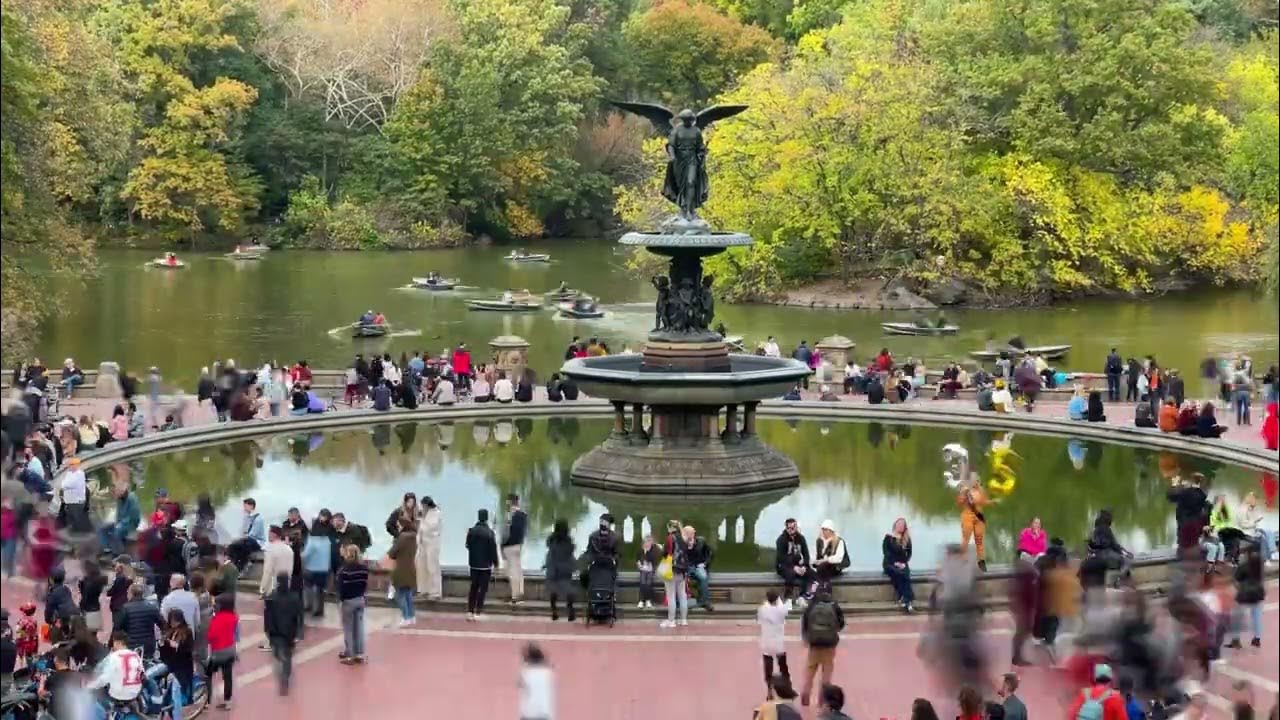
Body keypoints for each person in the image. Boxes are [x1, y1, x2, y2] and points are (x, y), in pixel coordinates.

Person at [799, 590, 844, 707]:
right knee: (827, 672)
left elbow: (805, 622)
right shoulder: (834, 605)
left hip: (814, 643)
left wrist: (806, 638)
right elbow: (841, 623)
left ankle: (805, 693)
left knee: (810, 669)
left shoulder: (812, 605)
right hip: (829, 644)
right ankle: (822, 699)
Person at [263, 572, 301, 695]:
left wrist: (267, 630)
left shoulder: (272, 597)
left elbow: (267, 616)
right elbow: (298, 617)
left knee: (277, 655)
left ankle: (282, 675)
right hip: (289, 632)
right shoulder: (294, 597)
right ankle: (285, 677)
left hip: (275, 632)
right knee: (288, 657)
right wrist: (298, 633)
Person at [87, 631, 144, 709]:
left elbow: (104, 678)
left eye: (113, 642)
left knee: (98, 692)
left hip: (119, 695)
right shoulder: (136, 655)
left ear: (118, 642)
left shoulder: (114, 656)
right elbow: (141, 674)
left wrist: (90, 686)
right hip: (135, 694)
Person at [335, 544, 369, 664]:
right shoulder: (364, 568)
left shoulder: (344, 570)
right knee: (359, 627)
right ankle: (359, 654)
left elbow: (341, 588)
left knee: (348, 628)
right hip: (360, 599)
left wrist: (341, 600)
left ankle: (349, 654)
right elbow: (365, 584)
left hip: (348, 601)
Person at [158, 609, 194, 719]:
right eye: (171, 621)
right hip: (171, 666)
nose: (173, 623)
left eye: (175, 621)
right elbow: (164, 652)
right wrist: (162, 644)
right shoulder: (169, 632)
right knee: (169, 693)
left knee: (176, 693)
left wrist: (175, 645)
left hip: (182, 667)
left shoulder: (187, 632)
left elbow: (187, 649)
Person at [465, 509, 499, 621]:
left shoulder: (472, 531)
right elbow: (493, 550)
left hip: (473, 564)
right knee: (482, 589)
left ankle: (470, 611)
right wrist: (496, 563)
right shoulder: (490, 533)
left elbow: (467, 545)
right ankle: (478, 611)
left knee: (473, 588)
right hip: (485, 566)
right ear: (487, 518)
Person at [113, 583, 163, 658]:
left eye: (128, 593)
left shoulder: (124, 608)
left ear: (131, 594)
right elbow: (162, 624)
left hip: (131, 645)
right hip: (148, 645)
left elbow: (117, 627)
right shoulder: (152, 607)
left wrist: (113, 644)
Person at [758, 589, 790, 698]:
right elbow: (785, 609)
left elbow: (761, 615)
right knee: (783, 667)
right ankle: (787, 687)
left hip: (766, 643)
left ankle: (769, 689)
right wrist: (779, 600)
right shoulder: (781, 610)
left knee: (768, 669)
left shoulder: (763, 609)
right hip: (779, 644)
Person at [545, 519, 577, 622]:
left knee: (553, 591)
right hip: (565, 568)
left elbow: (550, 550)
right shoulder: (568, 540)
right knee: (568, 590)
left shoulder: (551, 539)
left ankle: (554, 611)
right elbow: (571, 551)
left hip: (553, 568)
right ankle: (570, 610)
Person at [661, 523, 692, 629]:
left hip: (672, 569)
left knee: (671, 596)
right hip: (683, 570)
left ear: (670, 528)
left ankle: (671, 620)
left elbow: (665, 553)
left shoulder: (670, 537)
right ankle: (684, 620)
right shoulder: (684, 538)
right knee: (682, 595)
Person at [775, 519, 811, 607]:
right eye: (789, 528)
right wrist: (794, 567)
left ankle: (802, 597)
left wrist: (804, 566)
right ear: (786, 528)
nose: (792, 529)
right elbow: (781, 557)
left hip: (798, 564)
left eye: (794, 527)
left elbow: (806, 554)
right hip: (783, 565)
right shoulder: (781, 540)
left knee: (808, 573)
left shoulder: (801, 538)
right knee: (790, 573)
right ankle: (788, 598)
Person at [882, 518, 915, 613]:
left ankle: (904, 599)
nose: (900, 526)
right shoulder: (888, 538)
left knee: (905, 574)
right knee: (900, 574)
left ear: (905, 527)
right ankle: (908, 599)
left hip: (903, 563)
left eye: (902, 525)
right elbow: (886, 553)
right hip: (889, 563)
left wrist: (903, 563)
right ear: (895, 526)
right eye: (899, 524)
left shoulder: (907, 539)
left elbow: (909, 554)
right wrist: (895, 563)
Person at [99, 484, 141, 555]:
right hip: (121, 522)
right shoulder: (119, 499)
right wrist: (117, 522)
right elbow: (118, 514)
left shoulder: (132, 498)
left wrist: (121, 523)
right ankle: (107, 549)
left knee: (117, 532)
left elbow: (135, 517)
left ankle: (118, 553)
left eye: (117, 492)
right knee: (103, 528)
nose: (116, 494)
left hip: (131, 524)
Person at [501, 493, 528, 605]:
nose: (506, 503)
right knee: (518, 570)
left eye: (507, 501)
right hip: (518, 545)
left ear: (511, 502)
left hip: (510, 546)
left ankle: (514, 596)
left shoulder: (511, 515)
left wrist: (503, 545)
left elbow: (507, 532)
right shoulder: (523, 515)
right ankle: (520, 593)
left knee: (511, 571)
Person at [227, 498, 266, 571]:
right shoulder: (248, 517)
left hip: (257, 541)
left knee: (244, 547)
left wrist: (241, 538)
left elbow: (252, 535)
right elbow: (243, 531)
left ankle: (241, 567)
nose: (244, 508)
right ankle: (235, 565)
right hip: (248, 539)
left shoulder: (258, 519)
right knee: (232, 546)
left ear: (251, 506)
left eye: (245, 506)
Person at [415, 497, 443, 600]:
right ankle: (423, 590)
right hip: (423, 543)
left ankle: (435, 592)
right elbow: (419, 528)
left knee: (432, 567)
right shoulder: (423, 513)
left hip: (432, 543)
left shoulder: (436, 513)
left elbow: (431, 527)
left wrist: (422, 518)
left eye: (423, 505)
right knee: (421, 566)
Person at [519, 643, 555, 720]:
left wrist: (523, 664)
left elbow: (519, 683)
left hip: (529, 714)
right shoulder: (548, 673)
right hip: (545, 714)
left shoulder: (525, 673)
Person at [958, 485, 989, 571]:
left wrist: (992, 502)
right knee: (966, 538)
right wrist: (964, 493)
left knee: (979, 539)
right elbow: (959, 502)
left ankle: (981, 561)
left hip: (979, 516)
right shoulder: (965, 488)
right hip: (968, 515)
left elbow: (984, 501)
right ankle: (963, 559)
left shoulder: (980, 489)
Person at [1238, 492, 1276, 561]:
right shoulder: (1243, 510)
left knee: (1269, 532)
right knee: (1262, 539)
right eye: (1254, 499)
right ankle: (1266, 558)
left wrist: (1257, 518)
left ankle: (1272, 553)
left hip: (1253, 530)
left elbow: (1255, 519)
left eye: (1255, 499)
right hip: (1246, 533)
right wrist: (1255, 522)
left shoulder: (1251, 508)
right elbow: (1243, 525)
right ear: (1249, 499)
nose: (1255, 501)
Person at [301, 531, 331, 619]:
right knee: (320, 590)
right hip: (324, 568)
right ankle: (320, 610)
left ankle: (309, 606)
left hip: (312, 568)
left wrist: (299, 555)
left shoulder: (312, 540)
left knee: (308, 587)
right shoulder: (327, 540)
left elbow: (306, 554)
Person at [259, 526, 295, 596]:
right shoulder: (289, 549)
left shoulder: (270, 550)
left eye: (269, 532)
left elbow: (267, 571)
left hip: (272, 588)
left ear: (273, 534)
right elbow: (290, 569)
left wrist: (263, 589)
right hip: (286, 585)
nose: (268, 535)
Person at [812, 520, 847, 591]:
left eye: (826, 530)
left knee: (822, 568)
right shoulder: (819, 541)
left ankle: (825, 592)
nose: (824, 532)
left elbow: (838, 558)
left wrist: (825, 560)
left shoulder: (839, 541)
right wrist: (815, 561)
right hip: (821, 567)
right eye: (823, 530)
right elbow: (814, 555)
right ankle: (821, 592)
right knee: (818, 570)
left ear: (831, 531)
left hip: (834, 567)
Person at [78, 559, 108, 634]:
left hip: (87, 608)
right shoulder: (98, 581)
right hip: (95, 607)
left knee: (86, 634)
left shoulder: (89, 582)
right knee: (93, 633)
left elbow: (85, 595)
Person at [636, 534, 661, 609]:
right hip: (643, 569)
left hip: (650, 569)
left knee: (648, 584)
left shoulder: (654, 550)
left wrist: (647, 551)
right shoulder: (640, 549)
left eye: (648, 542)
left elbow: (653, 560)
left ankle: (648, 600)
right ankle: (641, 600)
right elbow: (637, 558)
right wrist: (638, 563)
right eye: (645, 542)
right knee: (643, 583)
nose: (646, 544)